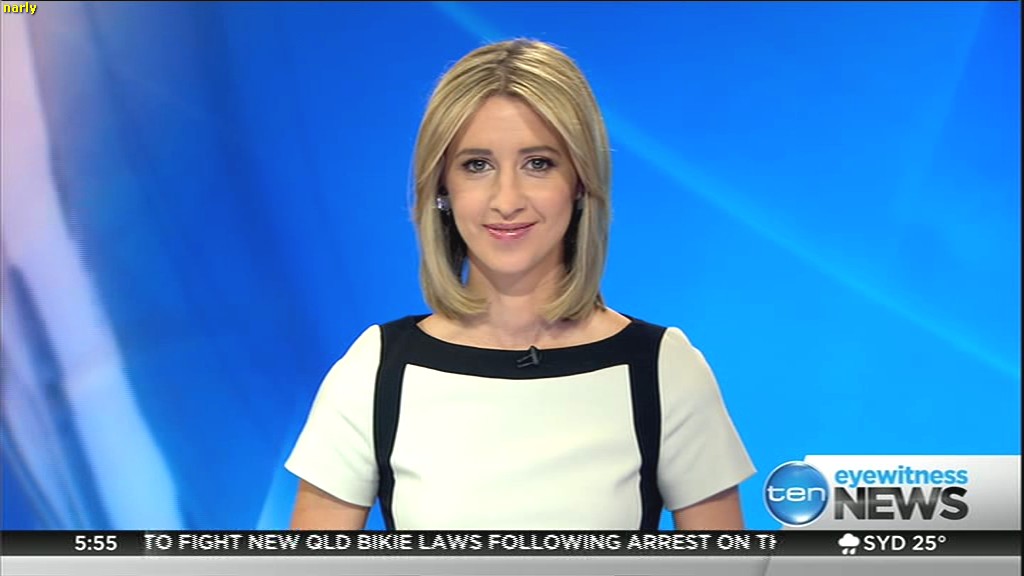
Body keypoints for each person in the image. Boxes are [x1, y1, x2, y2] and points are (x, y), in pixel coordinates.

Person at [285, 38, 755, 531]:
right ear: (442, 187)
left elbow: (724, 560)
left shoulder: (663, 368)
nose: (506, 200)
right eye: (477, 165)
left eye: (538, 164)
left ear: (580, 183)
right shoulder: (377, 368)